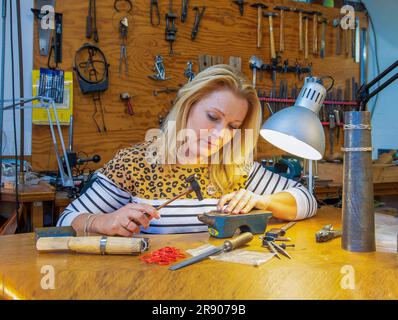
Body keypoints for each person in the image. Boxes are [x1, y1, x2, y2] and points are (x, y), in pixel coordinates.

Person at [57, 65, 317, 236]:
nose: (219, 135)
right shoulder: (136, 162)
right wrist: (105, 221)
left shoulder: (237, 167)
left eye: (233, 126)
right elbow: (66, 221)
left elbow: (307, 200)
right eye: (213, 116)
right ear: (188, 105)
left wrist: (263, 201)